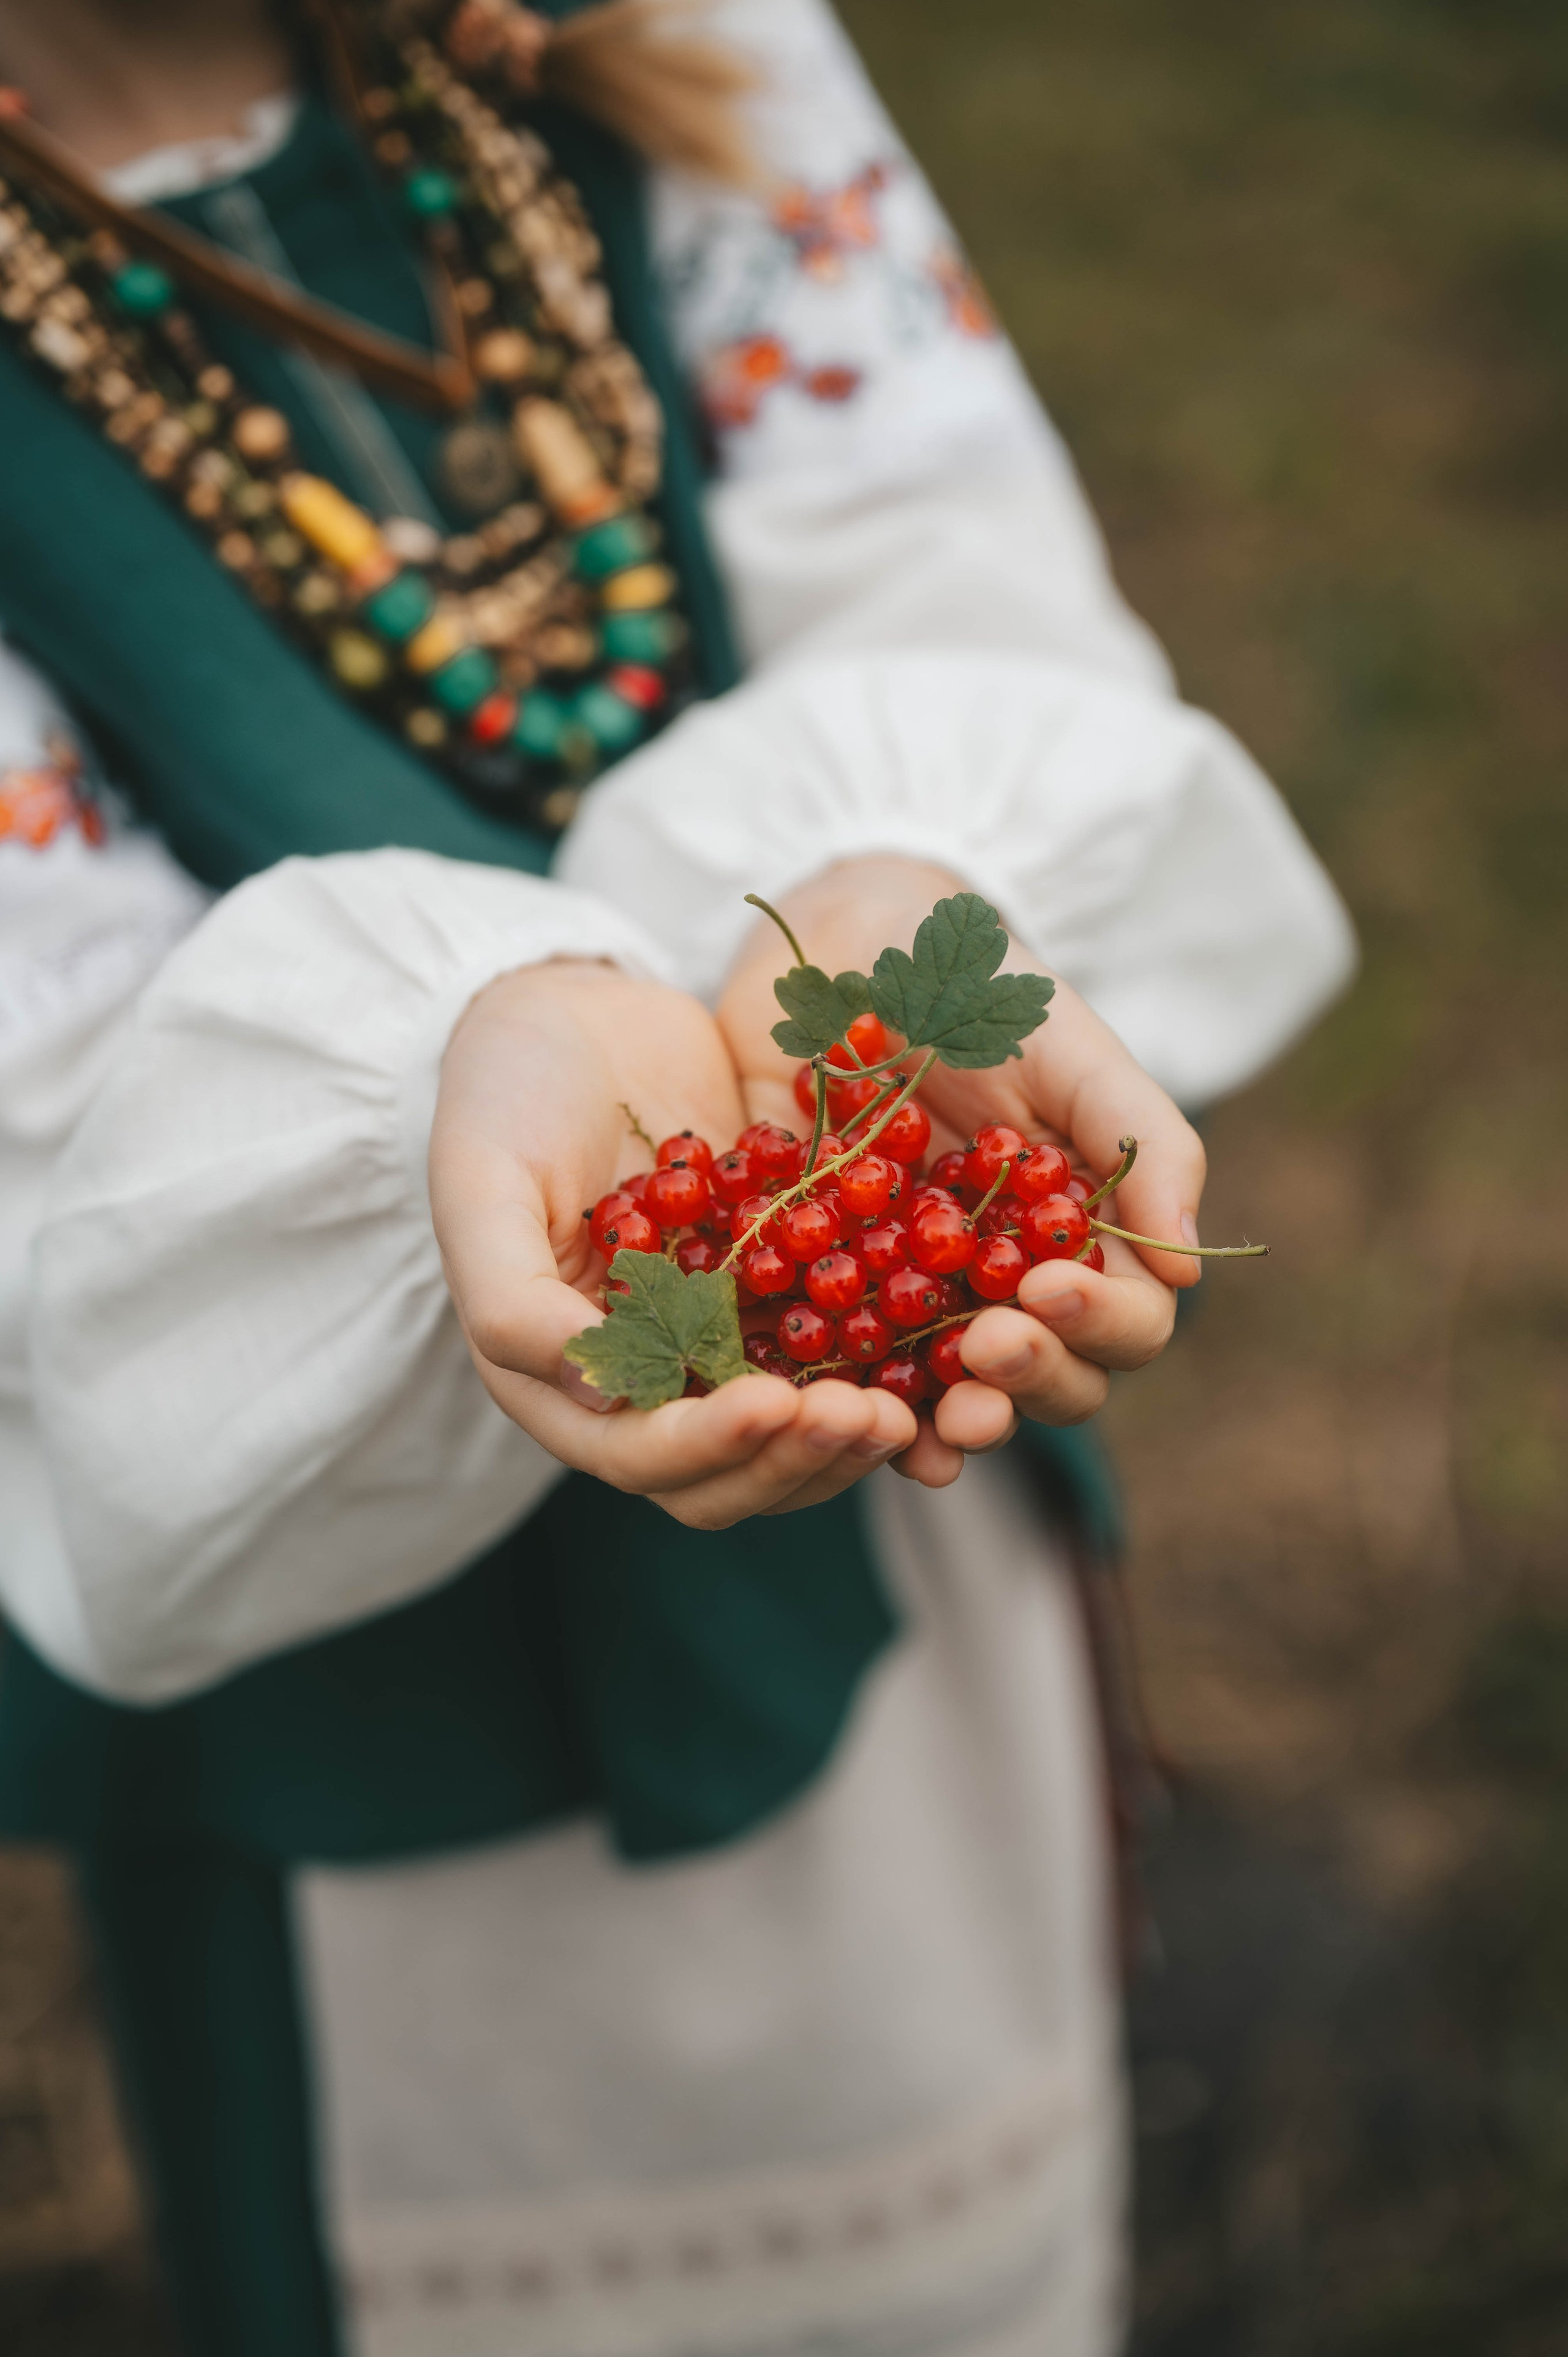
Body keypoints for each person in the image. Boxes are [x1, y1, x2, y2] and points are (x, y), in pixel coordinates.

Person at [0, 2, 1355, 2351]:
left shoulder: (637, 42)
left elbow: (955, 590)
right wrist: (449, 1063)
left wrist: (888, 884)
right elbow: (64, 1124)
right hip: (343, 1611)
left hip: (893, 1507)